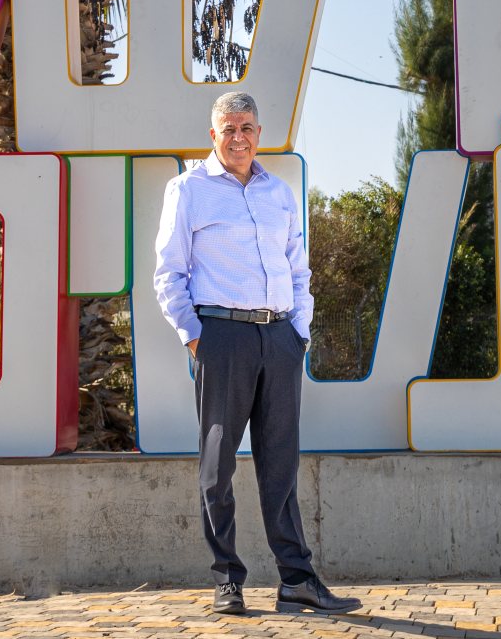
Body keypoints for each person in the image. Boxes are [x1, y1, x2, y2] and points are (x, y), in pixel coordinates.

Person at [153, 91, 361, 617]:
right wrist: (196, 336)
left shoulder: (279, 193)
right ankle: (227, 581)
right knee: (218, 464)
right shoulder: (188, 190)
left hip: (280, 339)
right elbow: (168, 273)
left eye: (246, 127)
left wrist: (300, 332)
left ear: (258, 132)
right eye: (229, 129)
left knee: (281, 464)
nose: (239, 137)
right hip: (222, 337)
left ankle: (297, 580)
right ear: (213, 134)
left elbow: (298, 267)